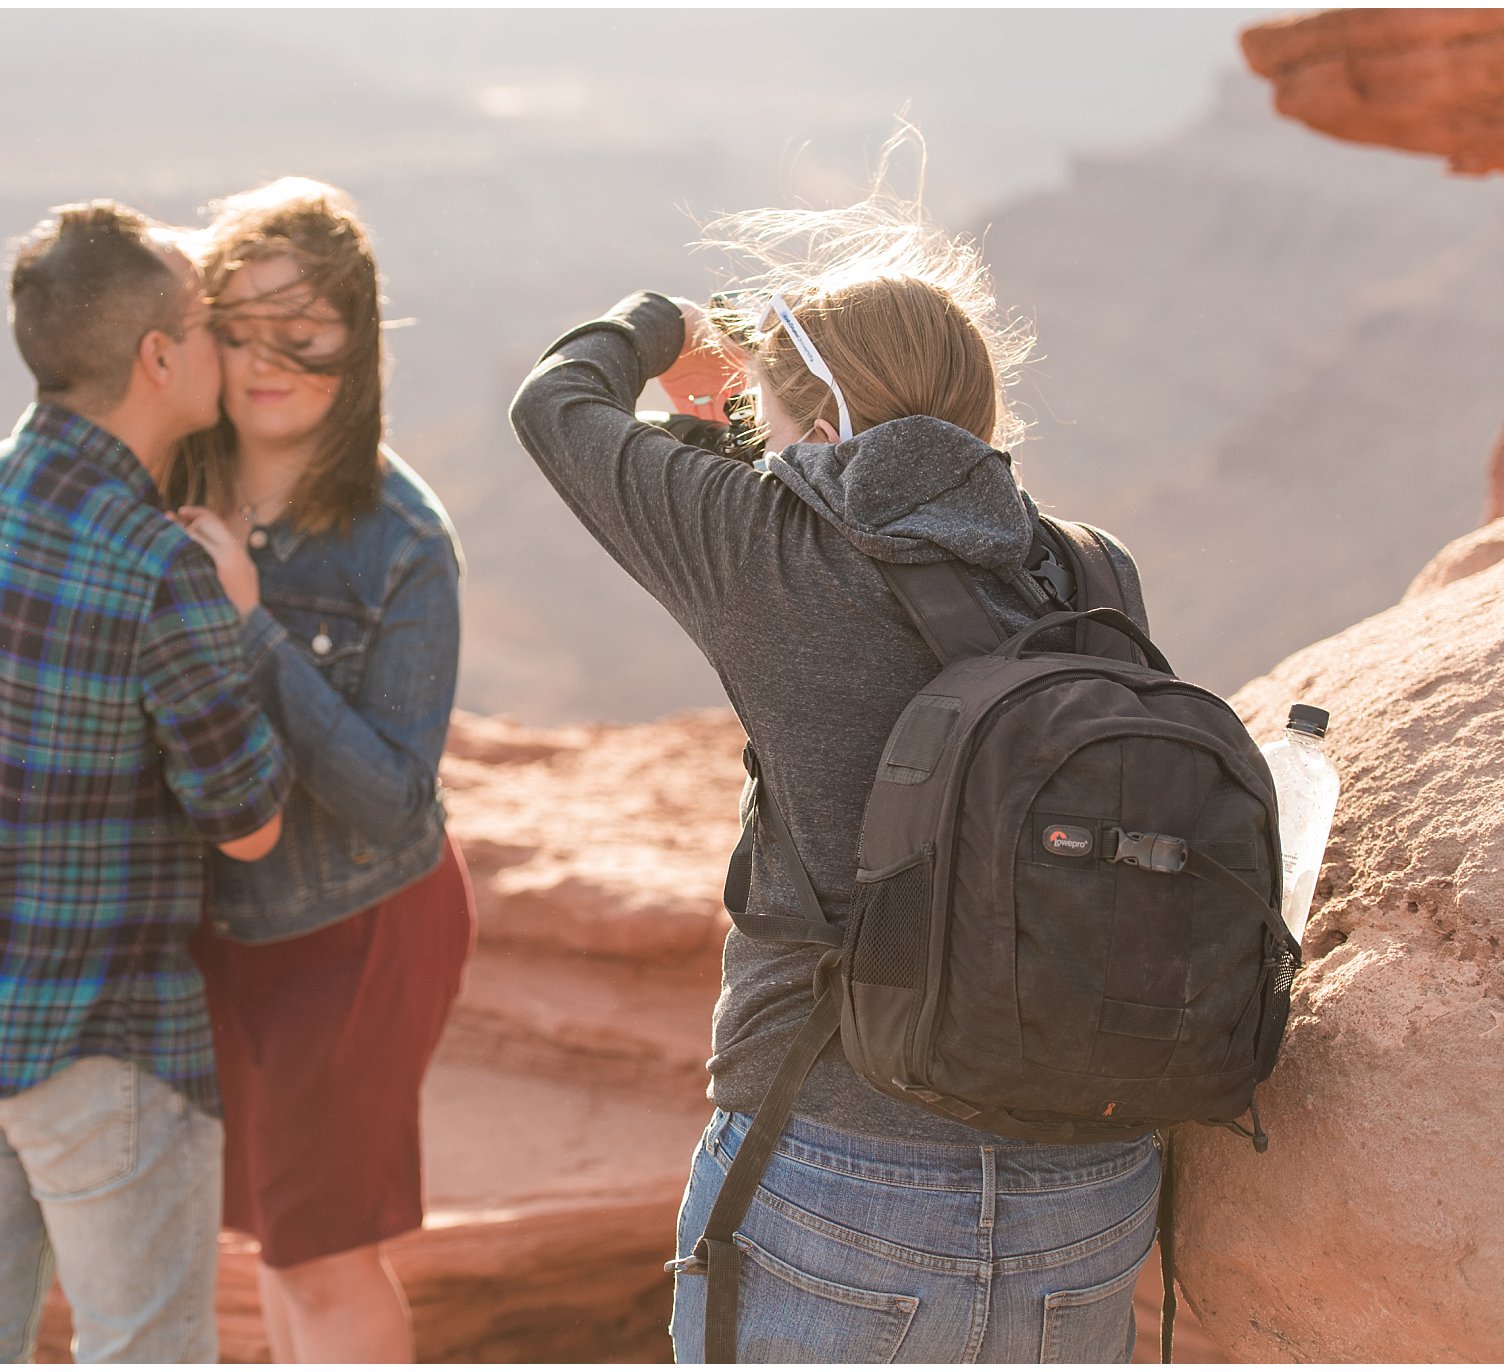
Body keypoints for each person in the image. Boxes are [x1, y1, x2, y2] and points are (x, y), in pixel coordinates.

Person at [509, 186, 1162, 1362]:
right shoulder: (1092, 571)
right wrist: (768, 400)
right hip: (1089, 1186)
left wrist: (663, 320)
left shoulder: (759, 551)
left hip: (839, 1173)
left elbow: (555, 402)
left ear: (808, 430)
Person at [0, 199, 290, 1363]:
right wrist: (241, 621)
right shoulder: (156, 568)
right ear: (158, 358)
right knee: (140, 1347)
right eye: (206, 326)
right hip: (93, 1039)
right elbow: (249, 826)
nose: (224, 349)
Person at [164, 177, 473, 1365]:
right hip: (219, 928)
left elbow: (395, 791)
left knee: (320, 1254)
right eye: (238, 330)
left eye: (302, 334)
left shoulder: (402, 542)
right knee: (273, 1246)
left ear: (356, 344)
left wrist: (249, 627)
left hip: (356, 929)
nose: (267, 360)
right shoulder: (170, 487)